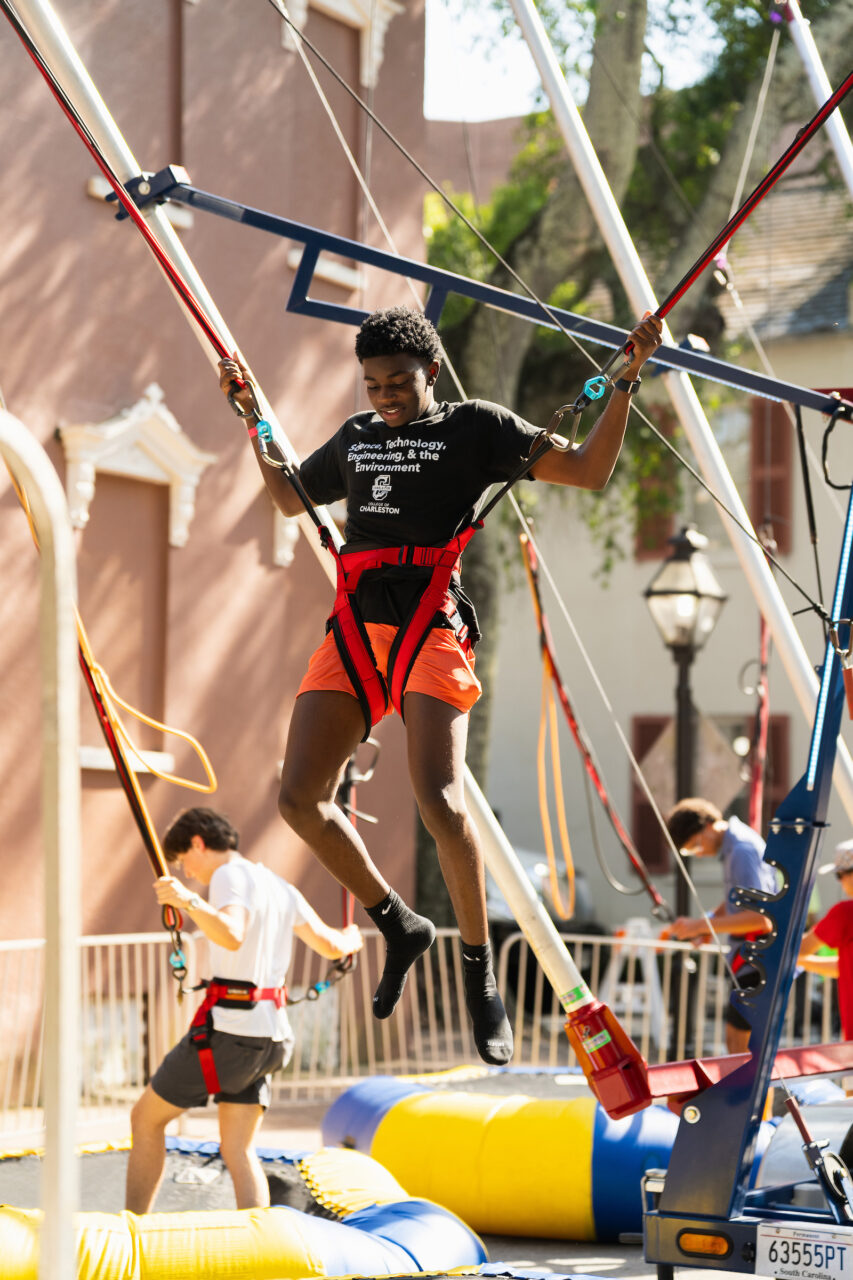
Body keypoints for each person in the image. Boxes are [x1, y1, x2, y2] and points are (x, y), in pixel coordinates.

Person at [219, 305, 662, 1067]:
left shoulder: (475, 428)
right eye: (372, 384)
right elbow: (291, 496)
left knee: (439, 797)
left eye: (399, 381)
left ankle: (476, 968)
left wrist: (622, 383)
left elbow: (588, 471)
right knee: (297, 800)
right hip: (358, 625)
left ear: (431, 373)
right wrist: (255, 419)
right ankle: (396, 922)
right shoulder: (357, 439)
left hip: (429, 622)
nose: (385, 395)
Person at [125, 806, 362, 1214]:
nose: (187, 873)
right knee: (238, 1148)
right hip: (271, 1038)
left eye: (184, 862)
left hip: (232, 1033)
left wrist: (188, 901)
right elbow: (330, 946)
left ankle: (130, 1229)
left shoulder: (228, 876)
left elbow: (233, 935)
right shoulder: (279, 885)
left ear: (198, 844)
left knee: (145, 1120)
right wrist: (351, 939)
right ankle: (258, 1240)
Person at [667, 797, 776, 1053]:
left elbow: (762, 918)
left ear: (708, 825)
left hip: (758, 959)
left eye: (695, 845)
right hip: (749, 958)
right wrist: (708, 921)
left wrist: (701, 927)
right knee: (740, 1046)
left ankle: (752, 1095)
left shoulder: (741, 851)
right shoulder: (733, 847)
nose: (700, 853)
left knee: (745, 1049)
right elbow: (738, 901)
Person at [799, 839, 853, 1043]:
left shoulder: (845, 913)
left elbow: (801, 949)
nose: (839, 881)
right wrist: (799, 962)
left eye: (840, 874)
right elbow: (846, 966)